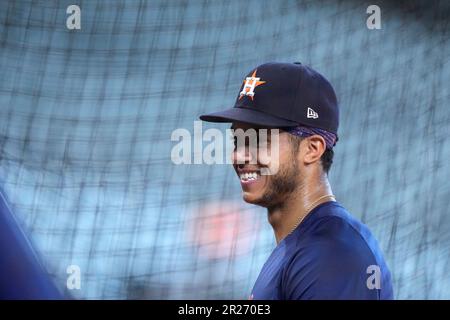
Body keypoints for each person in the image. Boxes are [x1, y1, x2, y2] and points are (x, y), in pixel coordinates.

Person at [200, 62, 393, 299]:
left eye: (258, 140)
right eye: (238, 140)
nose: (239, 156)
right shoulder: (301, 247)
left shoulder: (331, 254)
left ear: (312, 149)